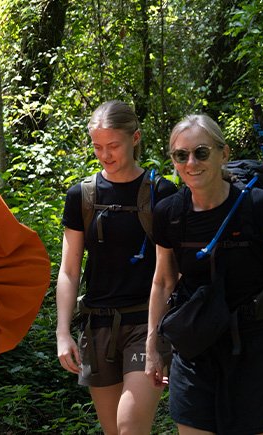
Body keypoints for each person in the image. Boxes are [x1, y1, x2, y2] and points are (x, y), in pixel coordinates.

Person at [145, 114, 263, 435]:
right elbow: (163, 281)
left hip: (256, 344)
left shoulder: (259, 206)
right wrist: (152, 346)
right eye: (181, 155)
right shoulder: (168, 213)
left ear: (224, 154)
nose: (191, 162)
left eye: (201, 152)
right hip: (195, 347)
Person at [55, 100, 177, 435]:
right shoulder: (81, 195)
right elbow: (69, 270)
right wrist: (62, 332)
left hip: (146, 324)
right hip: (98, 327)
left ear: (135, 138)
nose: (105, 155)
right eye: (97, 147)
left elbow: (173, 271)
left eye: (113, 146)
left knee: (129, 427)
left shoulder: (161, 192)